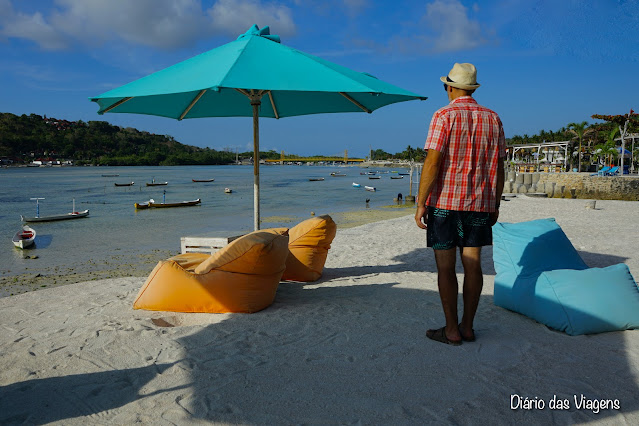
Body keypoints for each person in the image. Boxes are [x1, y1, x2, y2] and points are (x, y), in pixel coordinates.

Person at [414, 63, 506, 346]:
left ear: (451, 87)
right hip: (480, 204)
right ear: (472, 88)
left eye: (445, 87)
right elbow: (499, 166)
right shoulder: (493, 118)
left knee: (445, 268)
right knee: (473, 264)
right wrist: (495, 203)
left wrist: (420, 203)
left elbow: (432, 161)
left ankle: (451, 329)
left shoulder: (444, 115)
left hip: (444, 203)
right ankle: (467, 327)